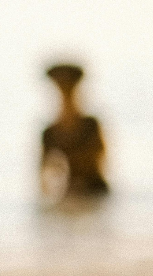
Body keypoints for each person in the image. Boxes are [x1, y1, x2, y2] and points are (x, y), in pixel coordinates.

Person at [41, 62, 110, 203]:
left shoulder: (91, 126)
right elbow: (43, 178)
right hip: (69, 196)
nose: (65, 95)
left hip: (95, 195)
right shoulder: (49, 133)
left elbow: (100, 160)